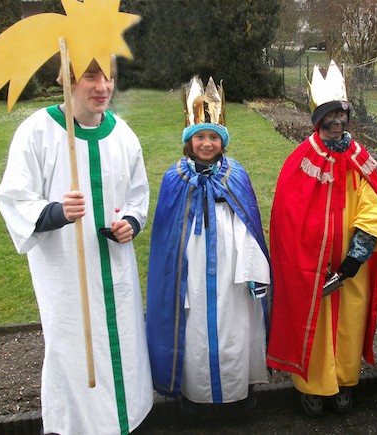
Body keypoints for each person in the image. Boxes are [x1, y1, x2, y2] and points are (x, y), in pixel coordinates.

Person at [0, 56, 153, 434]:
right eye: (91, 76)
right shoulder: (38, 132)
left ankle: (125, 421)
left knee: (123, 346)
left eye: (110, 77)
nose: (103, 87)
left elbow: (138, 195)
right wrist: (55, 212)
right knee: (74, 352)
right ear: (67, 79)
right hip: (67, 274)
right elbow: (15, 198)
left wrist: (129, 222)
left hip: (116, 271)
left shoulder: (123, 134)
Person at [266, 61, 377, 417]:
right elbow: (289, 218)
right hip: (314, 270)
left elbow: (373, 206)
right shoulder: (300, 161)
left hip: (352, 269)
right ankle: (313, 386)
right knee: (315, 326)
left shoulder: (358, 158)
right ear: (317, 119)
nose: (336, 123)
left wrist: (356, 256)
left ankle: (344, 381)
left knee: (349, 323)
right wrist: (310, 261)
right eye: (328, 117)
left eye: (341, 116)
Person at [145, 77, 271, 412]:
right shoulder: (175, 178)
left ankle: (236, 393)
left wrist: (252, 269)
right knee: (195, 329)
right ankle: (195, 395)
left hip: (231, 268)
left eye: (213, 137)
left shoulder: (236, 174)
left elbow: (248, 227)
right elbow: (166, 236)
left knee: (234, 326)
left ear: (222, 141)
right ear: (189, 141)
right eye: (199, 136)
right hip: (192, 269)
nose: (206, 143)